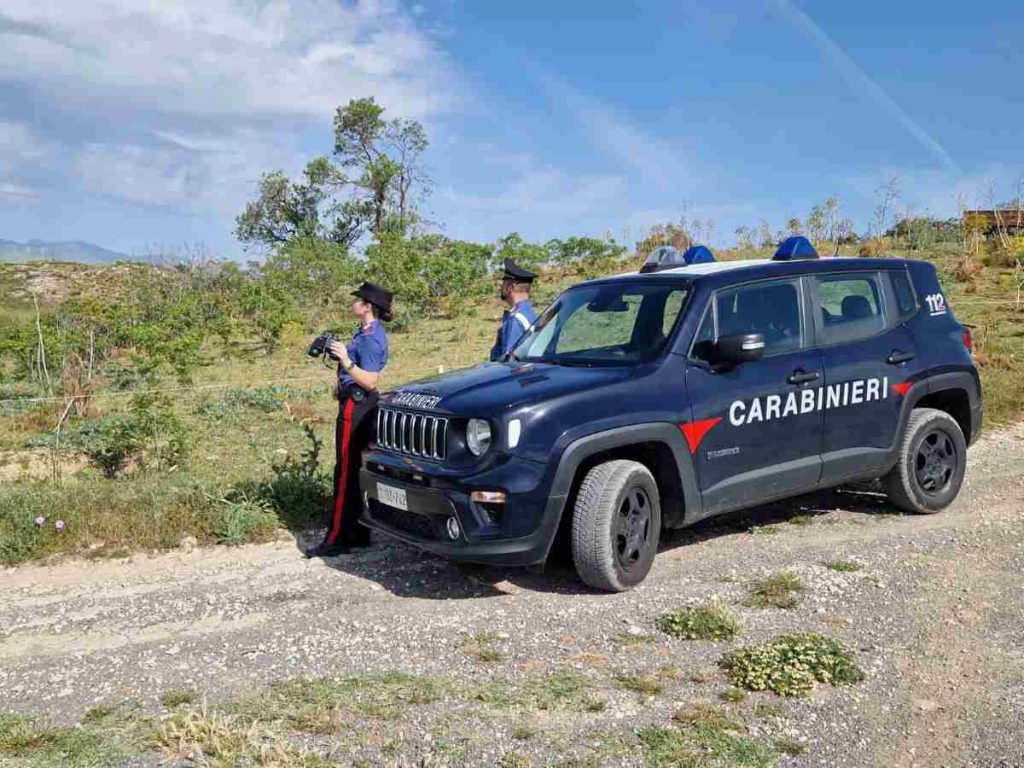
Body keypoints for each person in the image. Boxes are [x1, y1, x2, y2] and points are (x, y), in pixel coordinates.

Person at [305, 281, 392, 558]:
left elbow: (370, 380)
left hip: (357, 406)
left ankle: (337, 537)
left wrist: (346, 361)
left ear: (368, 306)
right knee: (353, 469)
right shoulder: (364, 332)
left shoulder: (372, 338)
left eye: (357, 300)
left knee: (344, 470)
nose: (352, 303)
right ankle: (357, 533)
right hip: (354, 401)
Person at [489, 258, 538, 362]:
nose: (501, 286)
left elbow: (510, 362)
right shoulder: (528, 311)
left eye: (504, 282)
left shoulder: (515, 319)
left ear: (511, 286)